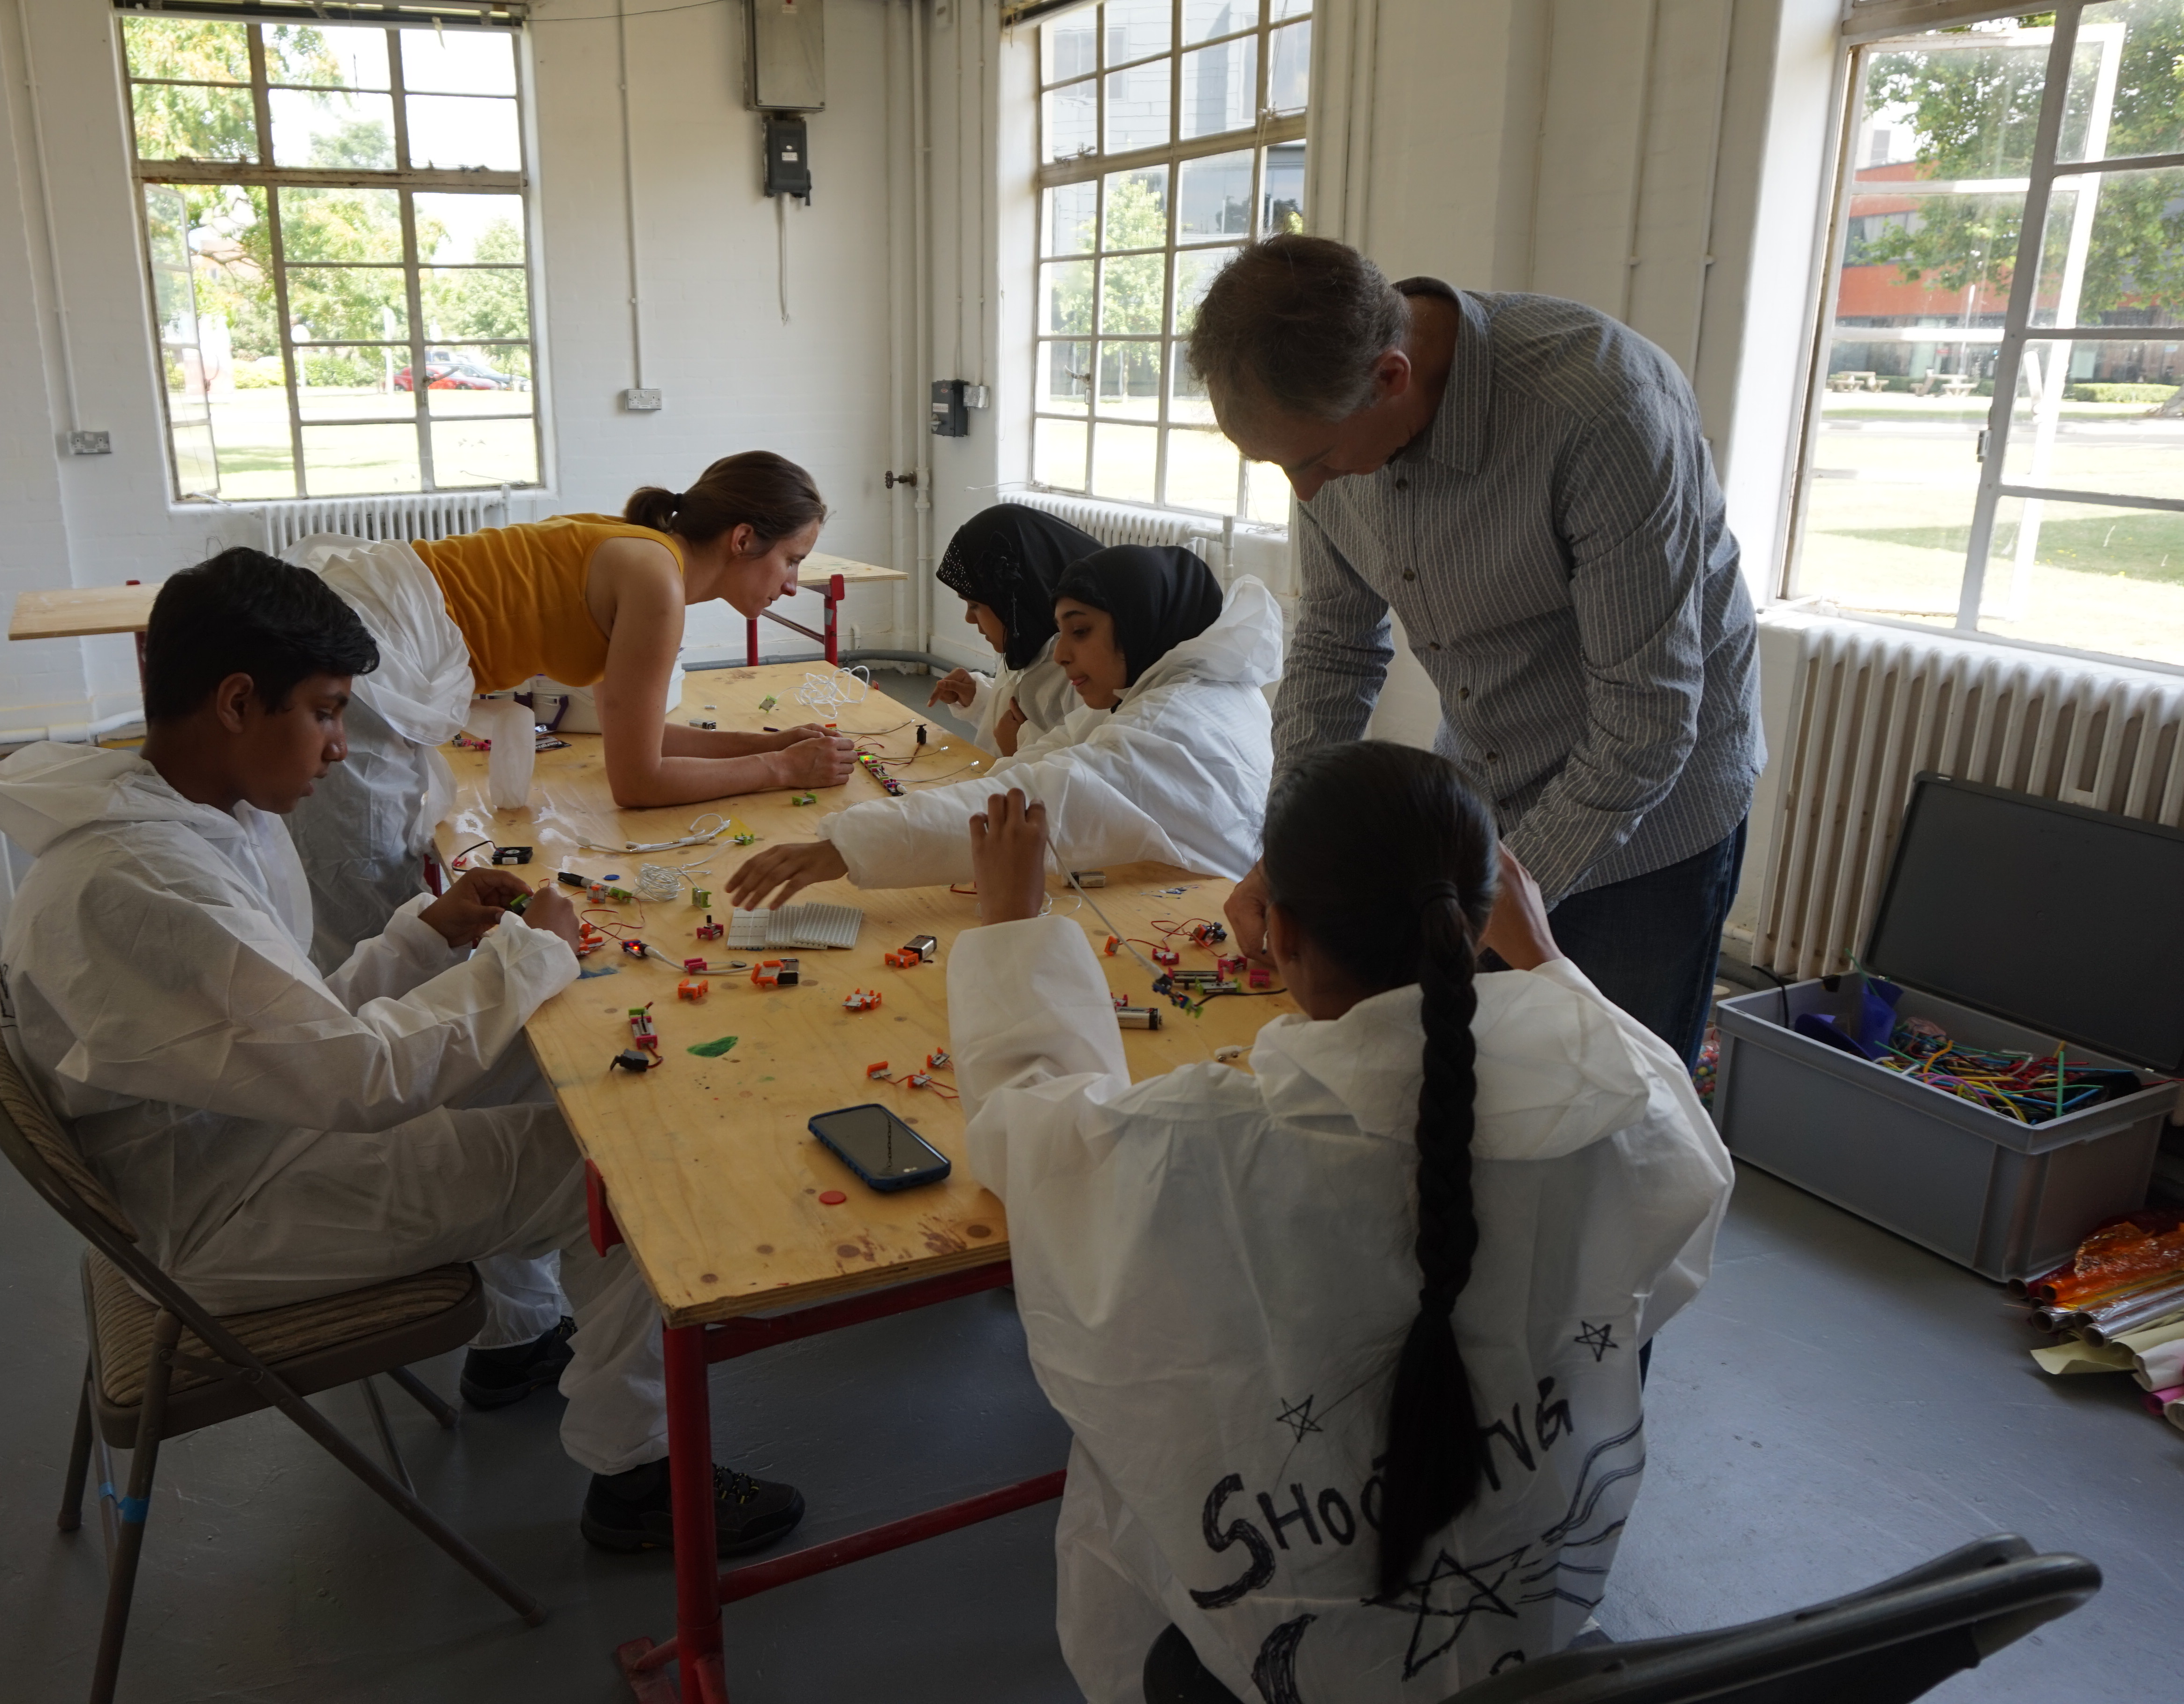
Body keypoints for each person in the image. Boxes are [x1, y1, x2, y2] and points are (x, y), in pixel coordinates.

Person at [0, 549, 806, 1556]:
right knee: (620, 1169)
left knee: (546, 1062)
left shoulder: (185, 818)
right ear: (237, 701)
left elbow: (285, 1025)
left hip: (242, 1138)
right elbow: (363, 1078)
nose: (341, 748)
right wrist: (528, 955)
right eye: (325, 712)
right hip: (227, 1217)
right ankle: (642, 1479)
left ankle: (518, 1346)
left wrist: (425, 935)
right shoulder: (144, 881)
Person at [949, 746, 1732, 1701]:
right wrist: (1547, 957)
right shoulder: (1601, 1111)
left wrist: (1012, 929)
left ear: (1277, 934)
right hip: (1524, 1621)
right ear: (1476, 918)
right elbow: (1671, 1129)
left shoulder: (1204, 1142)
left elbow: (1029, 1134)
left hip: (1282, 1650)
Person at [1188, 235, 1763, 1068]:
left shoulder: (1601, 408)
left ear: (1391, 376)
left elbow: (1646, 725)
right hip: (1488, 787)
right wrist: (1294, 850)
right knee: (1478, 1085)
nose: (1306, 492)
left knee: (1615, 1088)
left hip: (1656, 821)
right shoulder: (1329, 422)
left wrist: (1483, 909)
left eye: (1312, 461)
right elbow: (1335, 651)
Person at [725, 546, 1282, 908]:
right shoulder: (1184, 685)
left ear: (1140, 624)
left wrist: (845, 844)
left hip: (1201, 911)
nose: (1060, 654)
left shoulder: (1169, 723)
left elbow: (1034, 798)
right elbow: (1054, 750)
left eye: (1080, 631)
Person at [923, 503, 1103, 757]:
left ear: (1009, 601)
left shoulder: (1079, 677)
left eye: (975, 605)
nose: (969, 619)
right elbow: (1017, 717)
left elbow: (1070, 769)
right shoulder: (1028, 642)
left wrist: (1016, 751)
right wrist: (978, 697)